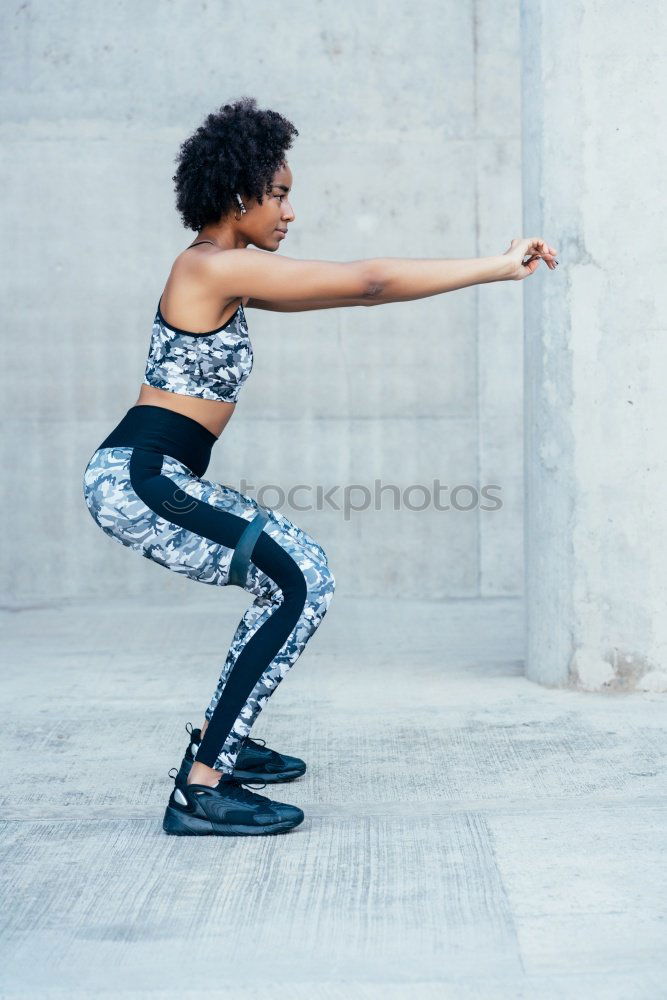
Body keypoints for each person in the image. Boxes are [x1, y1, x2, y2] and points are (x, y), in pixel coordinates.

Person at [82, 96, 558, 838]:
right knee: (302, 577)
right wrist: (497, 267)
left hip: (154, 474)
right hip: (142, 479)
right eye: (277, 194)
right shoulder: (208, 267)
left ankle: (222, 742)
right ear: (237, 193)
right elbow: (368, 280)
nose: (288, 212)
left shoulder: (225, 273)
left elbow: (356, 295)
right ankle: (201, 788)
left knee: (289, 578)